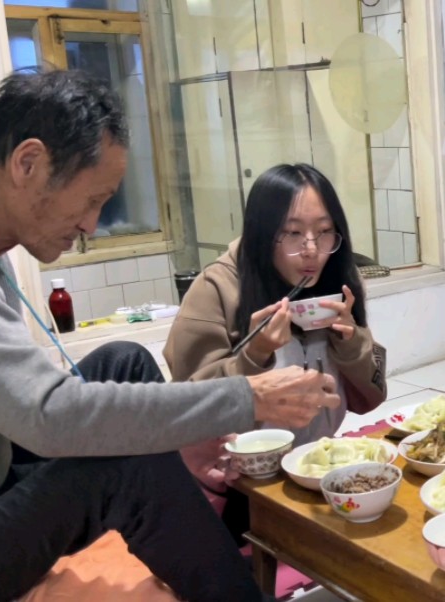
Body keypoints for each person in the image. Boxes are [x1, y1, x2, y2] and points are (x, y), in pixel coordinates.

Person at [0, 70, 341, 602]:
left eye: (323, 231)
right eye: (92, 200)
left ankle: (196, 537)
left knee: (125, 362)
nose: (92, 226)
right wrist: (247, 397)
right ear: (27, 163)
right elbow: (48, 416)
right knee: (125, 454)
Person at [163, 163, 387, 538]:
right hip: (235, 486)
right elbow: (188, 407)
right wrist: (255, 355)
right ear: (264, 235)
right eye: (293, 233)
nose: (312, 250)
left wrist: (352, 343)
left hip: (315, 469)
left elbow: (373, 397)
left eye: (324, 232)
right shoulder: (216, 288)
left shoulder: (336, 281)